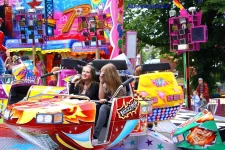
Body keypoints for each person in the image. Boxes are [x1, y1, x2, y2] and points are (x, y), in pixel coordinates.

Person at [93, 63, 126, 145]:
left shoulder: (121, 85)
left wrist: (107, 101)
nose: (102, 75)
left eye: (103, 74)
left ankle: (95, 136)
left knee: (104, 107)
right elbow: (101, 97)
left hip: (117, 108)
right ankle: (91, 131)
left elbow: (120, 99)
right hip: (107, 106)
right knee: (97, 106)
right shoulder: (104, 84)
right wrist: (101, 82)